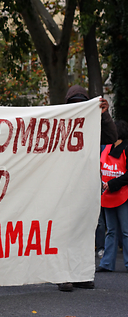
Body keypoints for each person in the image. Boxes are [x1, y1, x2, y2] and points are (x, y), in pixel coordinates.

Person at [57, 85, 118, 292]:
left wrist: (104, 115)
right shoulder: (59, 123)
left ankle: (81, 275)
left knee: (84, 230)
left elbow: (111, 137)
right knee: (64, 231)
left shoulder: (93, 125)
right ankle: (63, 275)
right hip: (64, 185)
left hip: (86, 185)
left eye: (82, 104)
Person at [97, 120, 128, 273]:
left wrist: (113, 183)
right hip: (108, 194)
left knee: (125, 231)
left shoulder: (126, 149)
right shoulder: (107, 148)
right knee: (111, 230)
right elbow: (101, 168)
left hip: (122, 195)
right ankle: (107, 263)